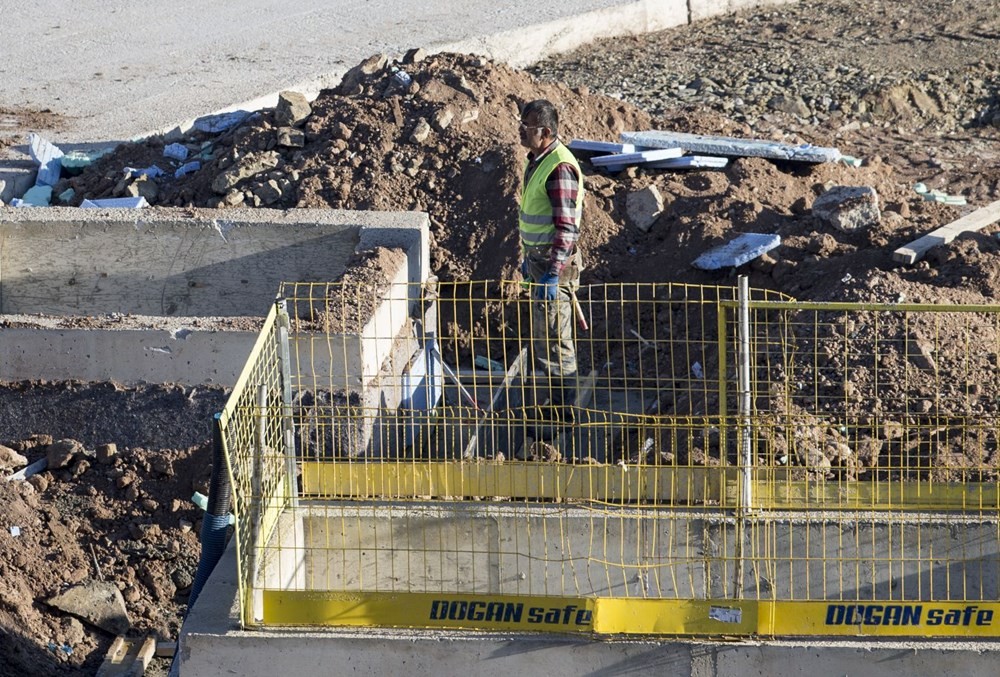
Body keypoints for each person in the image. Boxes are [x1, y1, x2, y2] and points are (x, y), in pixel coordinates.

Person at [517, 99, 584, 407]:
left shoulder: (560, 167)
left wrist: (553, 273)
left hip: (551, 267)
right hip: (538, 262)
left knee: (558, 344)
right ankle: (550, 405)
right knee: (545, 340)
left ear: (544, 131)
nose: (520, 130)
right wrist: (528, 257)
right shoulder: (538, 159)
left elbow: (567, 228)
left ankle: (564, 412)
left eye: (526, 127)